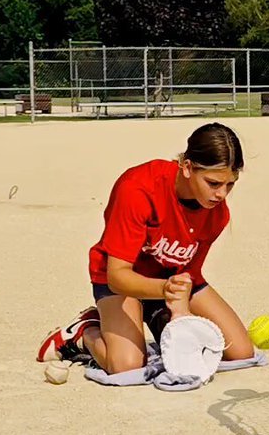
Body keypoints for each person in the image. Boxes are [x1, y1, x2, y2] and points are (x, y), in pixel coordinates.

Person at [37, 122, 254, 374]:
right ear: (187, 167)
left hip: (169, 282)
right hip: (121, 281)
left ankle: (153, 317)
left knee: (239, 352)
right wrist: (165, 291)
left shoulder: (217, 213)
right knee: (126, 366)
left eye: (230, 184)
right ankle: (84, 333)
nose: (221, 195)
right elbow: (117, 276)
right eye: (213, 183)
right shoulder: (138, 188)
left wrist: (180, 313)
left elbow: (189, 272)